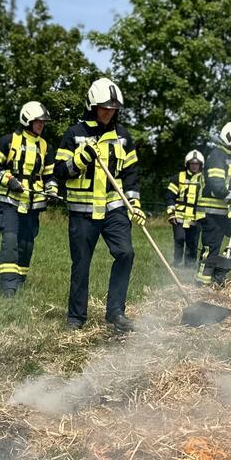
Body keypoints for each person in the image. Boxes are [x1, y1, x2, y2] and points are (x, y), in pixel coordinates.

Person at [54, 78, 142, 331]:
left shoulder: (123, 136)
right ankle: (76, 318)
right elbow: (60, 170)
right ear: (93, 106)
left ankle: (116, 312)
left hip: (114, 208)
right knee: (81, 264)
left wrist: (134, 203)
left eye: (113, 108)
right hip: (82, 212)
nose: (109, 111)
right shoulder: (75, 133)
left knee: (126, 253)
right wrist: (81, 158)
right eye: (104, 107)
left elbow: (131, 173)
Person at [0, 100, 56, 297]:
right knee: (10, 240)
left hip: (34, 203)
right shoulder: (8, 141)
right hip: (10, 201)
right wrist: (9, 181)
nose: (41, 125)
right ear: (27, 120)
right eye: (38, 122)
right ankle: (8, 287)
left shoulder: (45, 147)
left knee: (27, 243)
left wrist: (51, 190)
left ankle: (21, 280)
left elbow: (50, 175)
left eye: (43, 122)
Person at [195, 121, 231, 288]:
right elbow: (217, 185)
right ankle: (202, 285)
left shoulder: (229, 159)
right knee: (211, 249)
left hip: (224, 212)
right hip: (211, 213)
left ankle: (220, 272)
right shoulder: (216, 156)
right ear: (229, 140)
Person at [166, 149, 204, 267]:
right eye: (192, 163)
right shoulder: (178, 177)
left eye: (196, 164)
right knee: (179, 239)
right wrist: (171, 213)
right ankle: (176, 264)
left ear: (200, 165)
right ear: (187, 164)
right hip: (179, 217)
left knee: (192, 243)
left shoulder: (204, 179)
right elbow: (169, 196)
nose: (194, 166)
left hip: (195, 218)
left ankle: (190, 267)